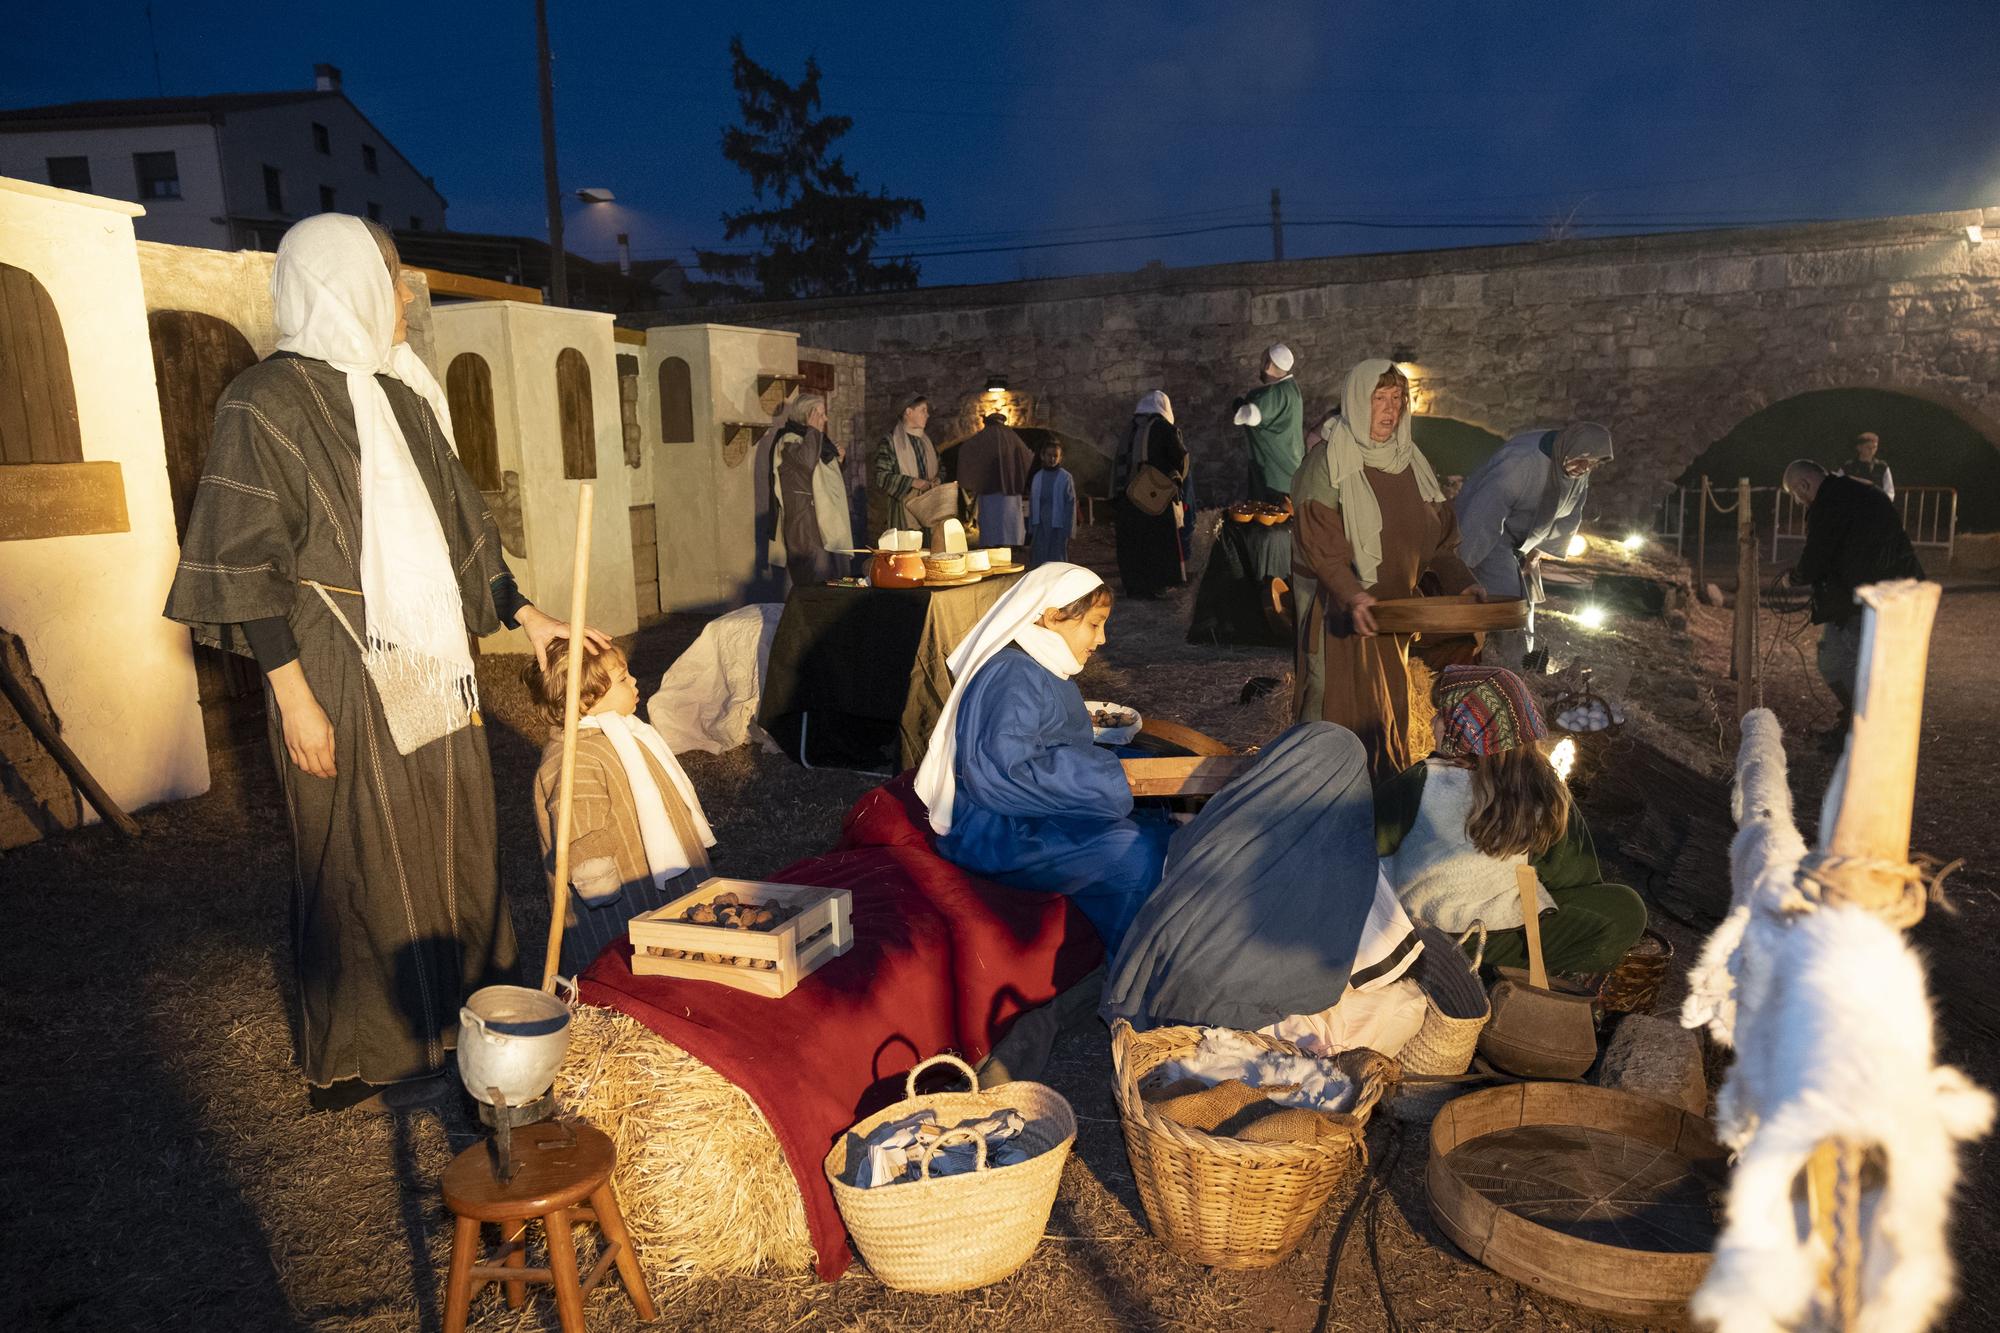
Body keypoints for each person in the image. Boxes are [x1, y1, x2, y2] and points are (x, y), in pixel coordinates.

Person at [163, 214, 603, 1112]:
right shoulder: (263, 401)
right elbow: (245, 569)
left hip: (423, 651)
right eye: (388, 277)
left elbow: (459, 529)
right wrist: (293, 698)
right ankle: (369, 1052)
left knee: (449, 833)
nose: (404, 296)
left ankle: (463, 1022)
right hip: (332, 659)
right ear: (340, 283)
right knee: (355, 847)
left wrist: (526, 615)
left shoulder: (402, 394)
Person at [1103, 722, 1426, 1035]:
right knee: (1402, 1006)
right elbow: (1389, 960)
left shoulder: (1224, 821)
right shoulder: (1350, 857)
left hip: (1170, 1003)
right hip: (1253, 1029)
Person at [916, 564, 1169, 952]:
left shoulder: (1038, 665)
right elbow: (1005, 774)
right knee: (1134, 853)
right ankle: (1132, 991)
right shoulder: (1011, 675)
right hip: (998, 830)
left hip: (1027, 810)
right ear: (1052, 617)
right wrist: (1109, 777)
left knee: (1163, 825)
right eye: (1095, 624)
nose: (1102, 639)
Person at [1376, 666, 1647, 978]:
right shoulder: (1547, 794)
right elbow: (1575, 880)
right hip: (1497, 939)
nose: (1432, 722)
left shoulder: (1422, 781)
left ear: (1464, 729)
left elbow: (1366, 849)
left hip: (1416, 936)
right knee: (1624, 908)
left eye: (1441, 715)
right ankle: (1502, 975)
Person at [1290, 358, 1480, 779]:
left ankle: (1378, 794)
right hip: (1339, 613)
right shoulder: (1326, 462)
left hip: (1394, 617)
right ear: (1358, 401)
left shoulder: (1413, 463)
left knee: (1386, 708)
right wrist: (1353, 594)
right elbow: (1319, 541)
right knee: (1331, 704)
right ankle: (1312, 791)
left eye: (1397, 399)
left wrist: (1462, 584)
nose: (1390, 410)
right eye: (1380, 399)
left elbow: (1440, 539)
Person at [527, 638, 716, 978]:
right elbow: (579, 821)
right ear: (587, 699)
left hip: (649, 875)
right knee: (620, 961)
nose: (634, 682)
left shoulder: (626, 734)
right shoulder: (575, 757)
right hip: (615, 897)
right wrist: (596, 879)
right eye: (623, 679)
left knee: (669, 950)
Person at [1782, 459, 1926, 746]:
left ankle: (1864, 729)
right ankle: (1857, 725)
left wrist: (1794, 578)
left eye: (1797, 495)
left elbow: (1817, 555)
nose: (1800, 502)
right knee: (1855, 661)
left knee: (1837, 661)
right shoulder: (1865, 492)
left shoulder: (1827, 504)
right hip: (1896, 588)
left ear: (1804, 484)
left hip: (1864, 597)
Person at [1453, 422, 1615, 664]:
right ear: (1571, 447)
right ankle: (1509, 663)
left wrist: (1536, 551)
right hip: (1492, 535)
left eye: (1592, 465)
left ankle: (1523, 660)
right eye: (1583, 461)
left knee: (1525, 599)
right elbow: (1485, 511)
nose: (1585, 469)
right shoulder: (1522, 461)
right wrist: (1461, 563)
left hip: (1521, 543)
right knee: (1509, 600)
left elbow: (1569, 512)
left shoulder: (1575, 469)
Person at [1112, 390, 1190, 598]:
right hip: (1153, 497)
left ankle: (1134, 586)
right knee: (1155, 542)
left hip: (1128, 496)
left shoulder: (1130, 428)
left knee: (1132, 543)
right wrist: (1177, 478)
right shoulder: (1163, 427)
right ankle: (1154, 586)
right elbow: (1179, 457)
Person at [773, 392, 853, 588]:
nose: (825, 419)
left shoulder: (813, 440)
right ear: (809, 414)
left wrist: (839, 460)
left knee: (834, 576)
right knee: (815, 578)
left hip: (823, 517)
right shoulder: (789, 441)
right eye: (821, 414)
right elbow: (807, 463)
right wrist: (813, 430)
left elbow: (823, 476)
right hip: (805, 519)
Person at [1231, 342, 1305, 504]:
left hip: (1274, 478)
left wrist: (1238, 404)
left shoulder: (1273, 394)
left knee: (1270, 525)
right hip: (1291, 473)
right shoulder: (1292, 389)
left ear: (1268, 364)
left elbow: (1248, 415)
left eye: (1262, 360)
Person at [955, 410, 1035, 548]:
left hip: (988, 488)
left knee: (991, 519)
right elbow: (1025, 456)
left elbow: (966, 450)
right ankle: (1010, 544)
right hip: (1010, 489)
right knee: (1009, 518)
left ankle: (991, 545)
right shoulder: (1011, 436)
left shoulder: (983, 437)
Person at [869, 393, 941, 532]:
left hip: (929, 508)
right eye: (923, 410)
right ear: (908, 412)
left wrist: (937, 479)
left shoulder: (926, 441)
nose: (927, 415)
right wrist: (914, 482)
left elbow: (941, 467)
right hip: (903, 512)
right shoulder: (891, 442)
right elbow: (881, 476)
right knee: (909, 550)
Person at [1027, 440, 1077, 567]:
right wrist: (1031, 526)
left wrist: (1069, 528)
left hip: (1058, 525)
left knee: (1057, 558)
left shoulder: (1065, 477)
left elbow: (1070, 504)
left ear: (1060, 458)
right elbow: (1033, 502)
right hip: (1040, 524)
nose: (1052, 458)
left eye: (1055, 456)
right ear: (1043, 456)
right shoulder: (1037, 477)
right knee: (1039, 556)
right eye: (1049, 455)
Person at [1838, 431, 1896, 499]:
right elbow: (1837, 487)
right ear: (1859, 448)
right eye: (1868, 447)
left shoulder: (1882, 467)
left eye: (1874, 447)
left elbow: (1889, 491)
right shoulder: (1847, 466)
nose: (1872, 450)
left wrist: (1882, 504)